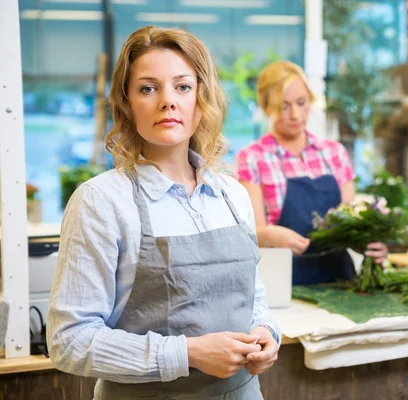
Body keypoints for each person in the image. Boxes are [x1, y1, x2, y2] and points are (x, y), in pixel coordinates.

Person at [47, 26, 279, 400]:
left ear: (201, 99)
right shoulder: (101, 201)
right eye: (148, 88)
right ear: (126, 103)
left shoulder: (232, 194)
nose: (168, 101)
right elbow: (68, 341)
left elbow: (253, 300)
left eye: (183, 87)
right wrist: (187, 354)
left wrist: (266, 333)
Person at [235, 61, 387, 285]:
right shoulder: (252, 158)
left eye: (301, 102)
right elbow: (251, 232)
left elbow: (349, 222)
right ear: (267, 107)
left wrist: (368, 242)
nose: (295, 115)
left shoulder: (334, 153)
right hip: (284, 281)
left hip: (340, 280)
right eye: (284, 106)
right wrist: (271, 235)